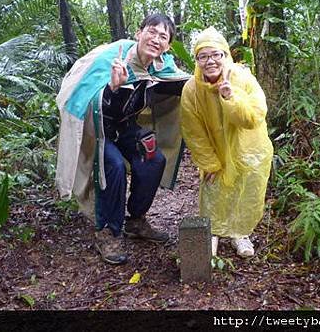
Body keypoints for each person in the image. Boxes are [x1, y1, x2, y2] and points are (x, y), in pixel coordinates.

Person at [55, 14, 189, 264]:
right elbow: (87, 98)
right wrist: (112, 88)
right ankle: (108, 230)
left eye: (163, 36)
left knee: (154, 159)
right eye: (152, 31)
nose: (156, 39)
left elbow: (183, 83)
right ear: (139, 33)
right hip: (97, 128)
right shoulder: (113, 58)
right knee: (113, 166)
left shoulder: (161, 65)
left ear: (168, 46)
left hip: (126, 127)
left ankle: (136, 220)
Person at [180, 27, 273, 258]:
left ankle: (239, 233)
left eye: (215, 54)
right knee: (213, 190)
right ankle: (212, 232)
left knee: (243, 190)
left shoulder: (243, 78)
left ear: (225, 55)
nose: (210, 61)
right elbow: (194, 132)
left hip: (248, 149)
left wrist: (231, 97)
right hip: (215, 149)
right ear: (197, 60)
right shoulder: (191, 89)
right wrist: (209, 162)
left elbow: (253, 118)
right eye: (203, 56)